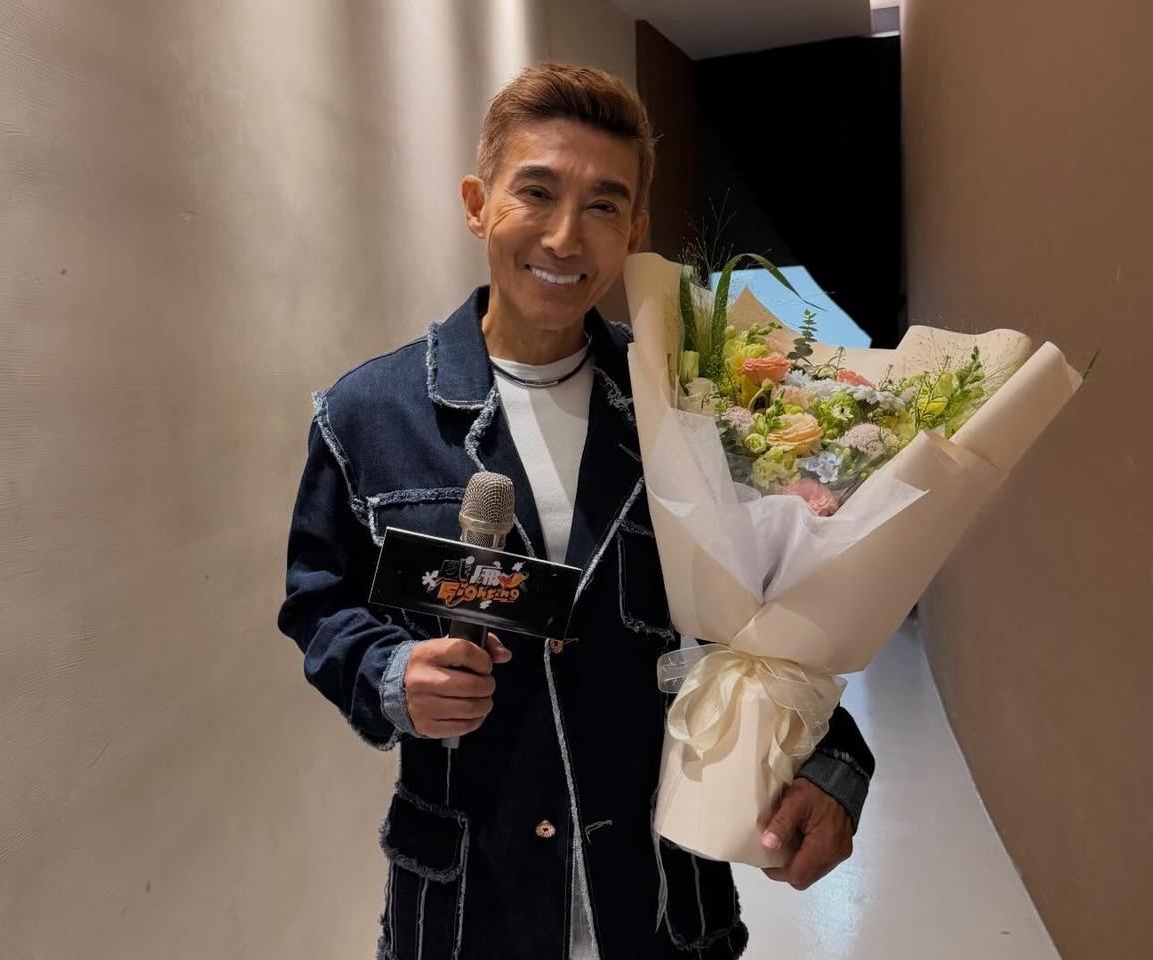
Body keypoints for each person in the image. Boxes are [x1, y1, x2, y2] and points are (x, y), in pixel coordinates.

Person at [277, 61, 875, 960]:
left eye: (602, 205)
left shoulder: (692, 405)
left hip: (663, 896)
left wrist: (835, 767)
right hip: (473, 903)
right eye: (536, 192)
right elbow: (318, 603)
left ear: (633, 232)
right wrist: (392, 674)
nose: (565, 237)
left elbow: (783, 618)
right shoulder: (370, 416)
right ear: (478, 204)